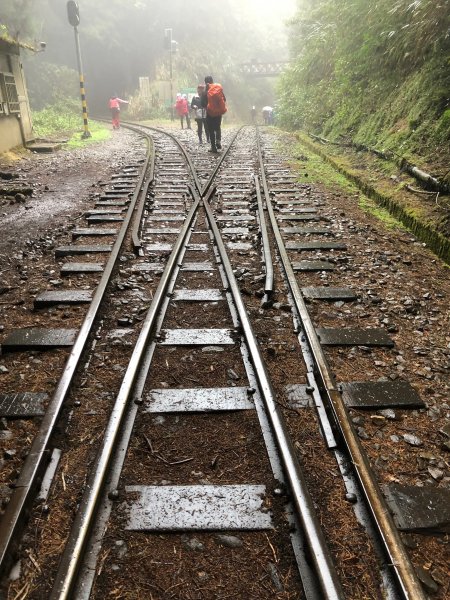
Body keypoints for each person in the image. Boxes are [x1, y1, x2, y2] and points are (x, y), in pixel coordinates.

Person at [201, 75, 227, 153]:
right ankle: (218, 141)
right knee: (217, 127)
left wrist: (208, 106)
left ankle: (213, 147)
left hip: (210, 113)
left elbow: (202, 103)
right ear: (212, 81)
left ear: (205, 82)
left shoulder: (205, 90)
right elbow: (224, 99)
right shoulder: (218, 89)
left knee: (211, 130)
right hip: (218, 112)